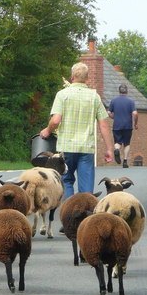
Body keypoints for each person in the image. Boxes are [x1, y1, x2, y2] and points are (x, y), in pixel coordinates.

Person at [39, 62, 114, 200]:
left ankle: (69, 212)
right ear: (87, 78)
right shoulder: (94, 97)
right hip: (86, 148)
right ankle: (85, 215)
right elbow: (103, 125)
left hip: (66, 147)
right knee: (86, 190)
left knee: (66, 181)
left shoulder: (62, 95)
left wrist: (48, 130)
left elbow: (55, 121)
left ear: (72, 76)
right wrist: (109, 148)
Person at [108, 83, 138, 168]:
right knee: (126, 143)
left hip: (117, 125)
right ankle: (125, 161)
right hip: (127, 126)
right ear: (127, 92)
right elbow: (135, 113)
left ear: (119, 91)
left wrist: (114, 117)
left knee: (117, 142)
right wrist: (135, 123)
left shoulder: (113, 101)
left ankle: (117, 149)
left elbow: (109, 112)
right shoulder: (130, 101)